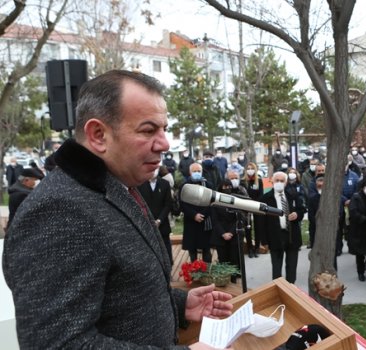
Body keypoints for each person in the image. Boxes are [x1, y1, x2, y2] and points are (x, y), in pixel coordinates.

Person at [2, 70, 232, 349]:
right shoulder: (59, 211)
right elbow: (60, 344)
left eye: (164, 129)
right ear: (98, 134)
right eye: (148, 130)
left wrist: (178, 303)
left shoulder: (117, 186)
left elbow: (118, 290)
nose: (164, 144)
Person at [258, 171, 305, 283]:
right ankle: (278, 289)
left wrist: (297, 215)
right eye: (277, 180)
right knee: (277, 269)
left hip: (291, 236)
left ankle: (291, 289)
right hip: (275, 237)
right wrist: (264, 240)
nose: (279, 183)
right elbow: (261, 221)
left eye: (282, 181)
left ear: (286, 182)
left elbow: (301, 209)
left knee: (292, 268)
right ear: (272, 181)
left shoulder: (292, 194)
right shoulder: (265, 199)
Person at [137, 167, 174, 264]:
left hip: (162, 222)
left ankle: (169, 267)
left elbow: (168, 204)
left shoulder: (165, 184)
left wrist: (159, 220)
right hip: (146, 222)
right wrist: (148, 219)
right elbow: (138, 203)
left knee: (166, 247)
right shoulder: (140, 184)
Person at [181, 162, 214, 263]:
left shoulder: (208, 185)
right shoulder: (185, 186)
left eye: (199, 171)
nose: (197, 173)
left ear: (202, 172)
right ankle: (194, 271)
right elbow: (182, 203)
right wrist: (194, 215)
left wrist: (202, 215)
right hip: (190, 221)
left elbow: (212, 203)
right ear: (190, 172)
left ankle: (207, 271)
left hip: (205, 221)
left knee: (206, 249)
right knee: (192, 250)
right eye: (194, 171)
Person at [348, 178, 366, 281]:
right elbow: (353, 212)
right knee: (360, 253)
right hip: (359, 228)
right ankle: (360, 272)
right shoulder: (356, 197)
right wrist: (365, 218)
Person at [242, 162, 264, 257]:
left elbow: (261, 194)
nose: (250, 170)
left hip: (256, 206)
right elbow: (242, 194)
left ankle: (256, 248)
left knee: (258, 228)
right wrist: (248, 204)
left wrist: (254, 204)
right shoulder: (243, 181)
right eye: (248, 168)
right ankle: (250, 248)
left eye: (252, 168)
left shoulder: (259, 180)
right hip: (246, 207)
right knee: (248, 228)